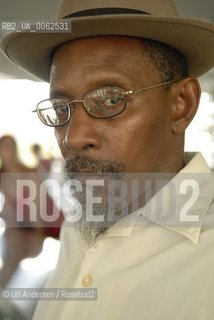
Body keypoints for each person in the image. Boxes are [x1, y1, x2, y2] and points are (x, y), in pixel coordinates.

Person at [1, 0, 214, 319]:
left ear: (181, 104)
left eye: (111, 99)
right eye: (61, 108)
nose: (72, 137)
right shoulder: (80, 226)